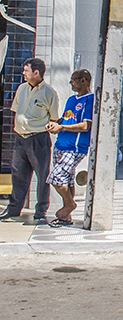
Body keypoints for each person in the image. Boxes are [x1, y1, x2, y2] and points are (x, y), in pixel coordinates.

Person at [0, 58, 59, 222]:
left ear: (36, 72)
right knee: (18, 174)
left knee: (42, 176)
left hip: (38, 139)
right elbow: (15, 109)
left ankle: (40, 211)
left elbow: (54, 118)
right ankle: (14, 209)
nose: (23, 73)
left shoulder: (49, 93)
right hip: (20, 138)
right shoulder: (21, 89)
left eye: (26, 70)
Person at [45, 69, 94, 227]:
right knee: (68, 180)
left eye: (74, 80)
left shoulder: (90, 100)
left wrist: (63, 128)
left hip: (75, 147)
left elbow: (86, 125)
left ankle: (69, 206)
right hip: (61, 145)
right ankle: (67, 217)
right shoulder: (71, 99)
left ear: (83, 80)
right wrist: (57, 124)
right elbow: (66, 118)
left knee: (56, 177)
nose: (71, 83)